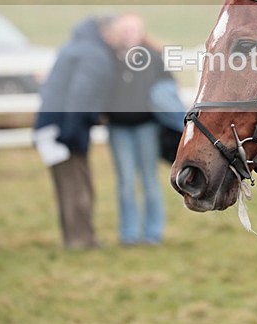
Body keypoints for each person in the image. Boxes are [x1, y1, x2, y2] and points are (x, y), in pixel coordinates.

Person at [33, 14, 124, 249]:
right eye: (117, 32)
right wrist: (71, 133)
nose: (120, 37)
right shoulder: (93, 54)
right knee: (77, 186)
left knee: (67, 186)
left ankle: (75, 237)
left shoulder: (78, 47)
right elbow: (81, 94)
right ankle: (81, 240)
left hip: (55, 126)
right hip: (64, 129)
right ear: (106, 32)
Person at [105, 13, 183, 246]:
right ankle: (129, 234)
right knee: (126, 182)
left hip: (147, 128)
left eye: (133, 30)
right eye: (124, 30)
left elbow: (168, 90)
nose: (128, 34)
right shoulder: (108, 58)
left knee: (150, 180)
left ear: (141, 32)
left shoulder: (153, 58)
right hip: (118, 129)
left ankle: (153, 233)